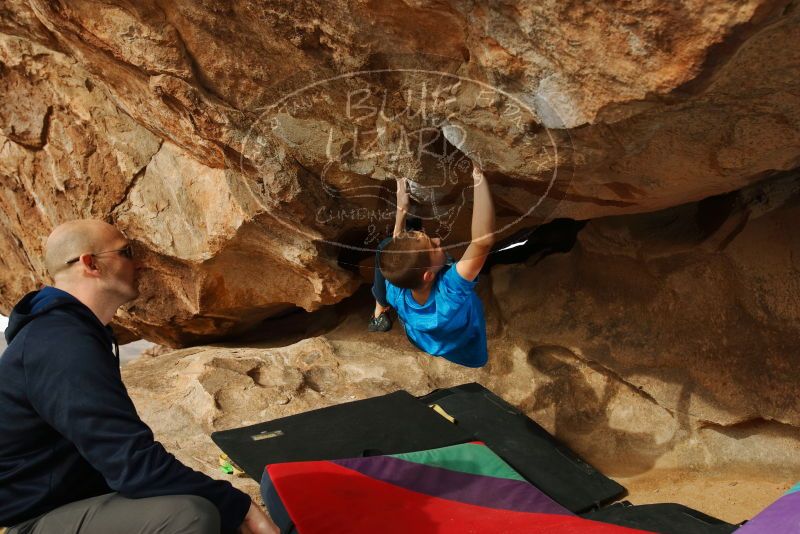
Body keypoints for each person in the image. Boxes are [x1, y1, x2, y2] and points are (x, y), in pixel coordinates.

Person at [0, 220, 278, 534]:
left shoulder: (71, 334)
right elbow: (131, 465)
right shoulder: (59, 344)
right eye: (127, 252)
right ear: (90, 264)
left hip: (70, 504)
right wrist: (239, 505)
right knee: (188, 515)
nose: (141, 262)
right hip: (33, 521)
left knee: (197, 504)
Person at [369, 164, 495, 368]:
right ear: (428, 275)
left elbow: (395, 248)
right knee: (395, 248)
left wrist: (402, 207)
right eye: (433, 246)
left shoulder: (397, 290)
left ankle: (379, 308)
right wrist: (478, 175)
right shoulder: (449, 292)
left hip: (420, 338)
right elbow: (482, 241)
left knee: (387, 248)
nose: (438, 240)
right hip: (465, 349)